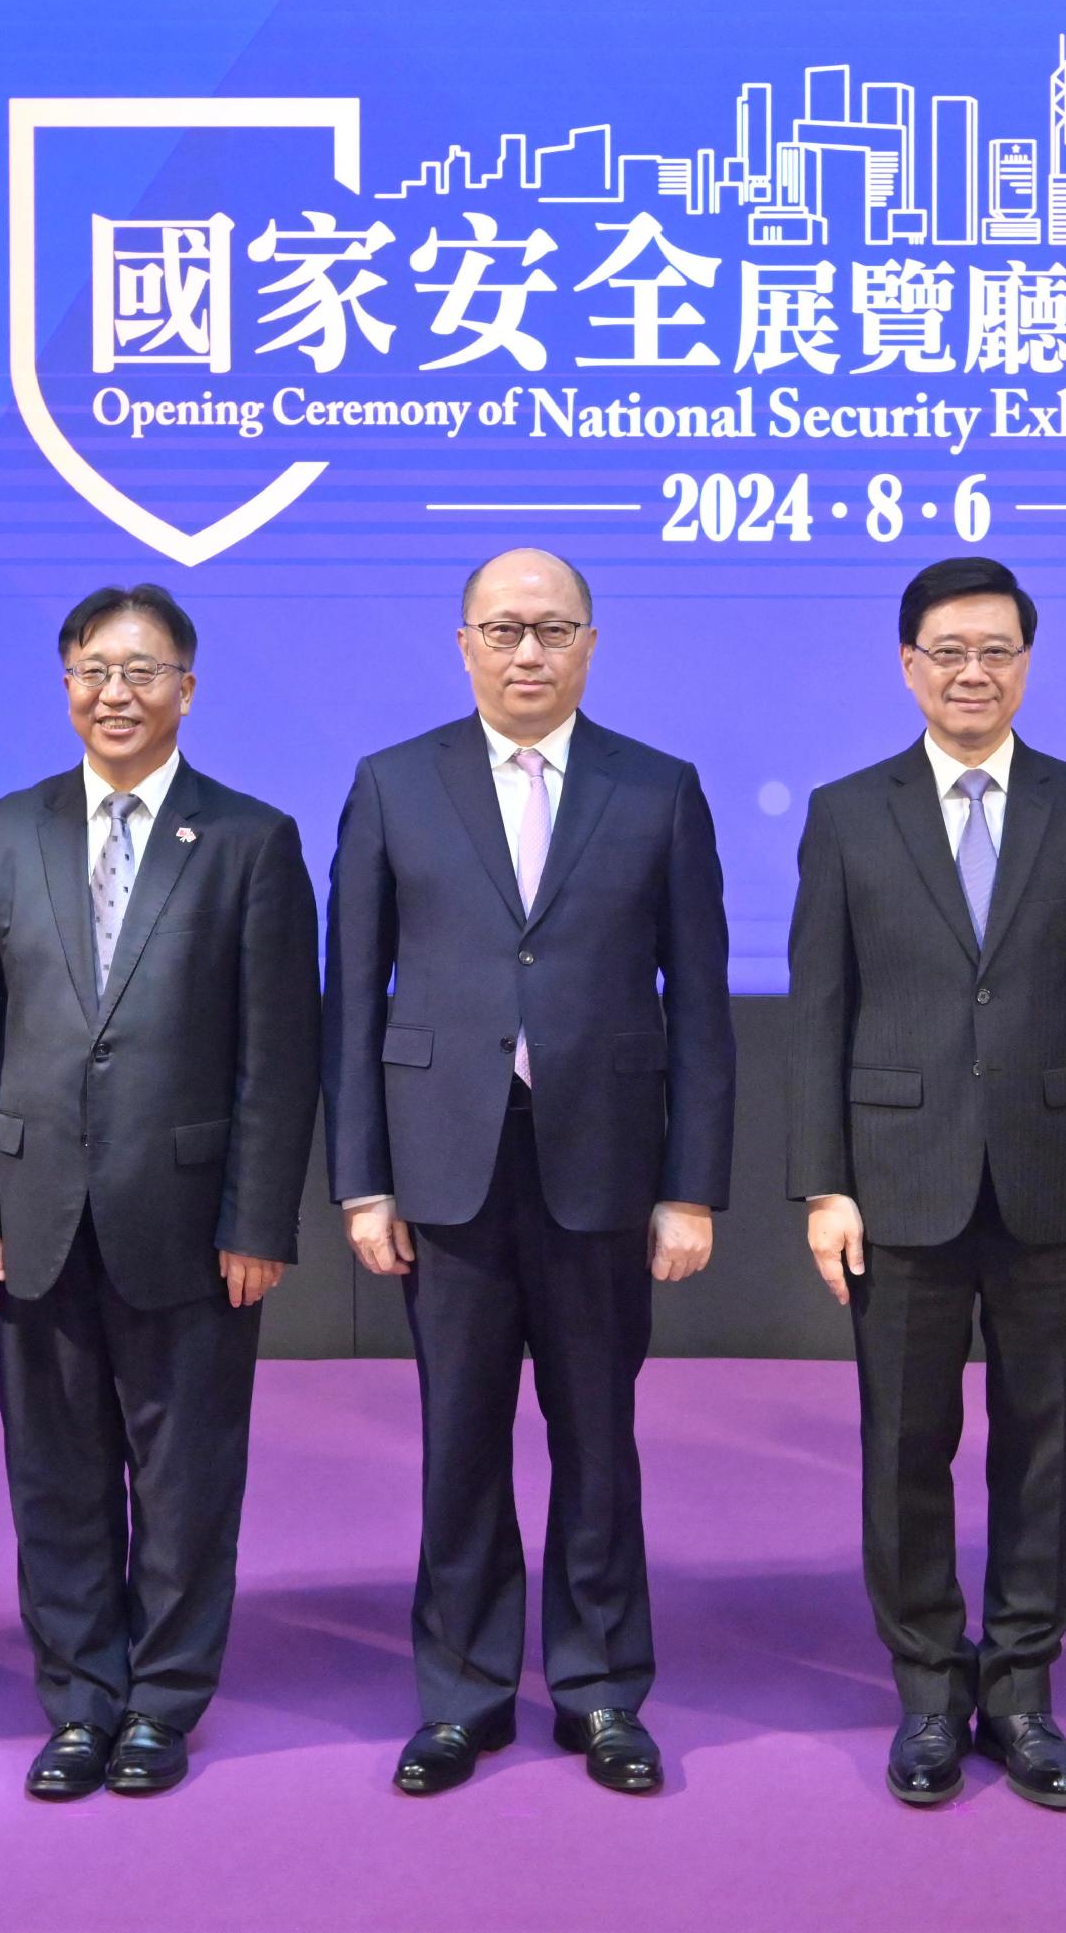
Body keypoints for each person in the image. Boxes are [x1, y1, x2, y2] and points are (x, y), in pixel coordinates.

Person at [324, 547, 733, 1797]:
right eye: (502, 629)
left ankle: (604, 1688)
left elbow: (703, 1008)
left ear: (590, 643)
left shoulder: (657, 789)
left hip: (604, 1169)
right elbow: (352, 999)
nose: (527, 652)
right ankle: (463, 1691)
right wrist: (360, 1179)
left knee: (598, 1440)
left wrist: (691, 1184)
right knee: (459, 1440)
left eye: (552, 629)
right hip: (443, 1167)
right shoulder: (394, 784)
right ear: (462, 643)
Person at [784, 555, 1066, 1812]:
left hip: (1057, 1178)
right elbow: (819, 1009)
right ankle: (930, 1692)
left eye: (996, 649)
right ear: (907, 664)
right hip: (896, 1182)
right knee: (905, 1443)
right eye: (948, 649)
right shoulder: (848, 811)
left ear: (1026, 662)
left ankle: (1022, 1689)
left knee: (1047, 1444)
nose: (972, 671)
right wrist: (821, 1182)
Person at [0, 584, 318, 1800]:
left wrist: (257, 1217)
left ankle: (161, 1702)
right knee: (53, 1471)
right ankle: (79, 1699)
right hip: (34, 1211)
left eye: (143, 670)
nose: (117, 692)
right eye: (94, 669)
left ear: (187, 688)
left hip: (192, 1219)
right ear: (65, 685)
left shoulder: (251, 838)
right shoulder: (2, 831)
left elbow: (277, 1051)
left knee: (187, 1473)